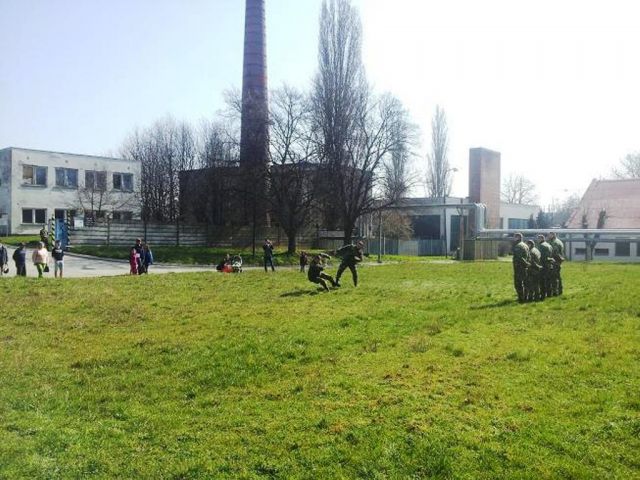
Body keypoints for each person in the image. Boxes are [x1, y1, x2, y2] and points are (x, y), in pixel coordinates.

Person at [512, 233, 530, 303]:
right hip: (525, 267)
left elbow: (520, 258)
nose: (514, 238)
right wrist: (527, 264)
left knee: (518, 283)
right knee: (525, 282)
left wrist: (525, 263)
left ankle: (521, 298)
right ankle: (526, 297)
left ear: (518, 237)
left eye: (515, 237)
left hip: (519, 267)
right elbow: (529, 256)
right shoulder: (526, 245)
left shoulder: (518, 246)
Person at [536, 234, 555, 299]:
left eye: (538, 239)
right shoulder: (549, 245)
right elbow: (552, 255)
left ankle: (542, 295)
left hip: (543, 265)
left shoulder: (541, 246)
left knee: (542, 281)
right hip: (549, 265)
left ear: (541, 239)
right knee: (548, 280)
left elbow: (540, 257)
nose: (537, 240)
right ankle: (549, 294)